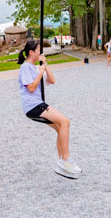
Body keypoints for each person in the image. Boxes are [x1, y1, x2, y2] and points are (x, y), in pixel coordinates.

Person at [17, 40, 80, 179]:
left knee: (60, 128)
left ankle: (63, 164)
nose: (41, 52)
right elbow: (31, 87)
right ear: (32, 52)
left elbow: (52, 81)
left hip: (37, 104)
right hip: (32, 106)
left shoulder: (35, 68)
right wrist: (40, 72)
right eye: (39, 50)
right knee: (65, 122)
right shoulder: (26, 67)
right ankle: (66, 160)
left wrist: (45, 66)